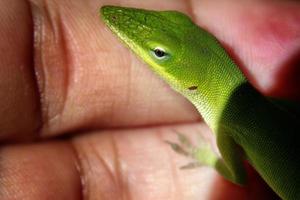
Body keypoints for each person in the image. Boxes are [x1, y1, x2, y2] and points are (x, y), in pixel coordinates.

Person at [0, 0, 299, 199]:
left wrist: (207, 158)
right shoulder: (266, 105)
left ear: (194, 84)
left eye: (159, 53)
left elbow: (239, 177)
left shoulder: (227, 128)